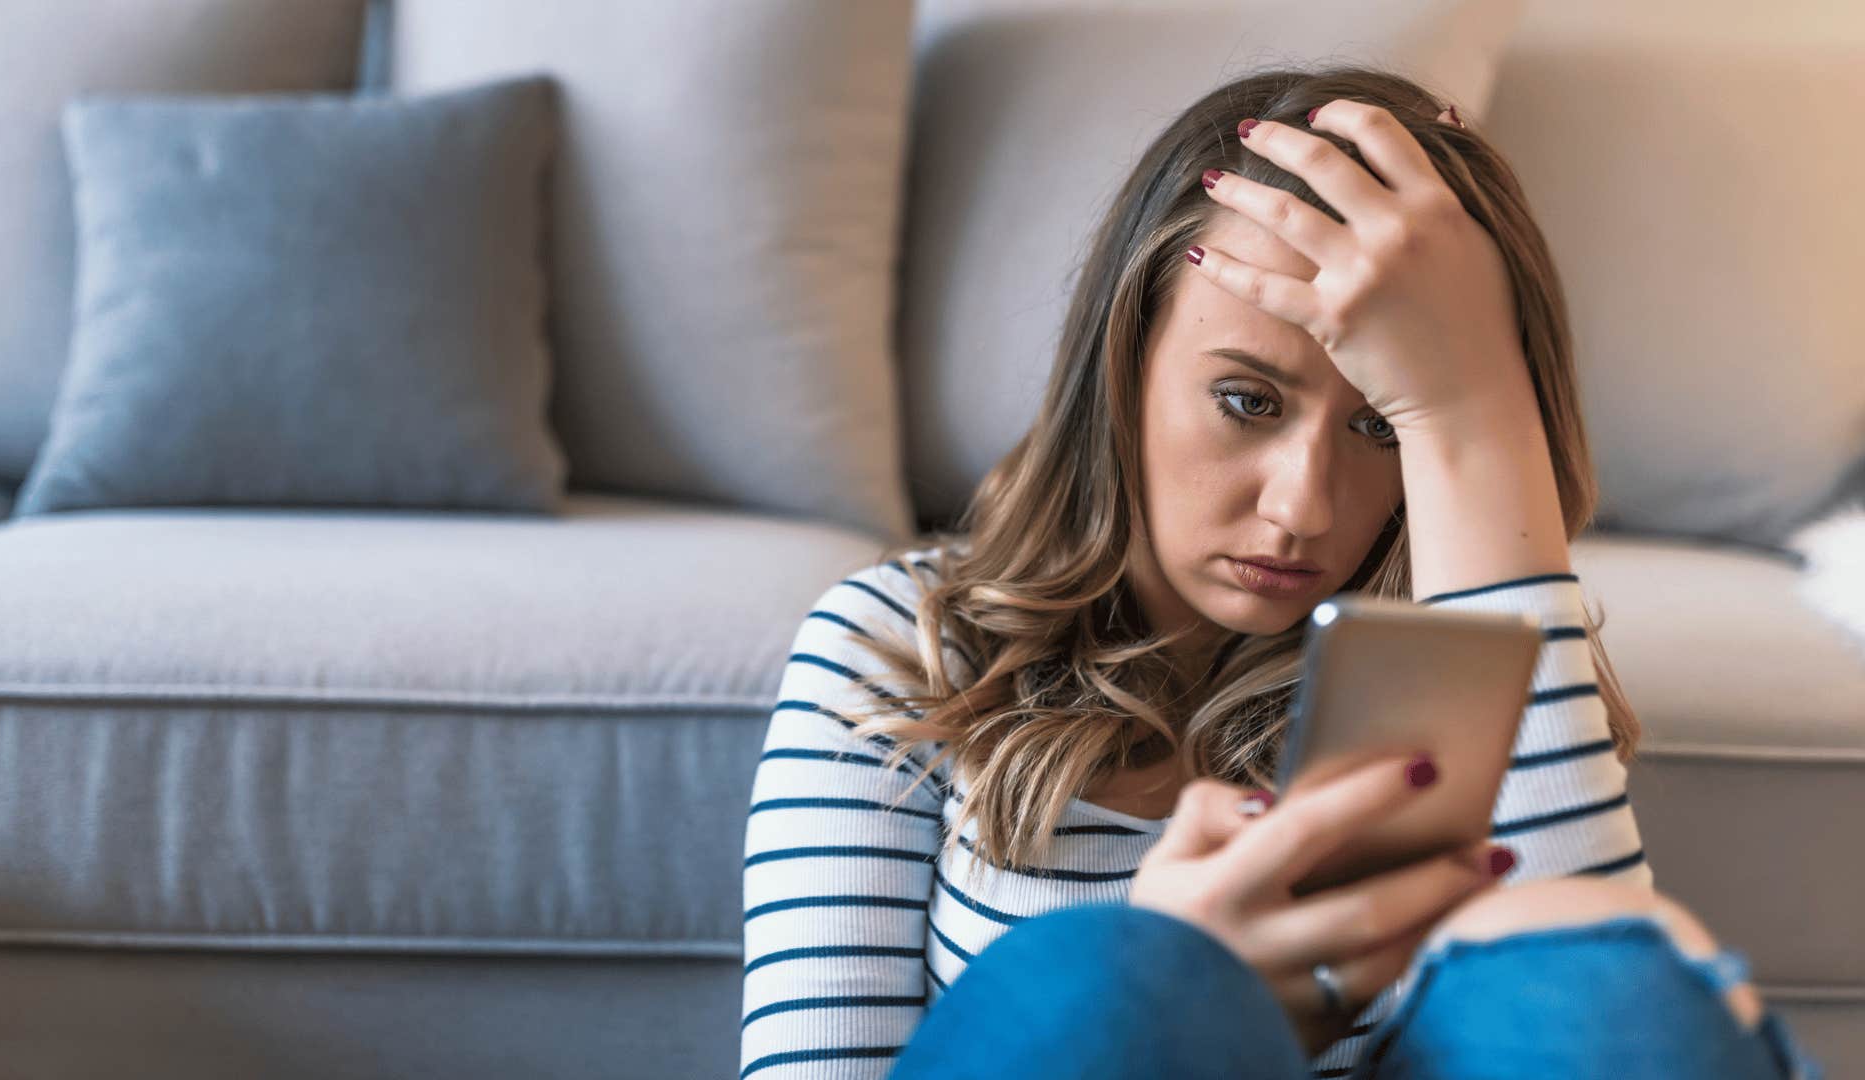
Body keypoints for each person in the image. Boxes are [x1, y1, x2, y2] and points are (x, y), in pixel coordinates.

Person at [737, 65, 1826, 1079]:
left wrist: (1466, 404)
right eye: (1246, 401)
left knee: (1612, 987)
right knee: (1117, 975)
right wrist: (1179, 970)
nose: (1303, 510)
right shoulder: (895, 640)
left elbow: (1582, 982)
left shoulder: (1448, 689)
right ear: (1123, 364)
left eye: (1380, 427)